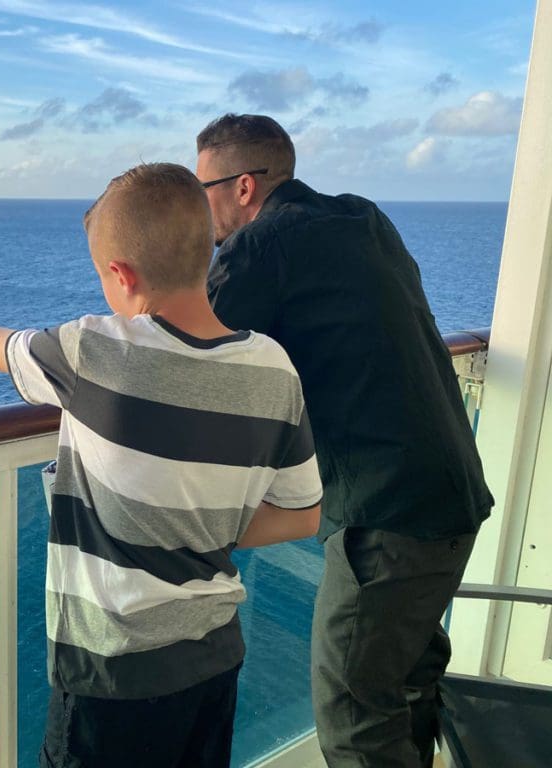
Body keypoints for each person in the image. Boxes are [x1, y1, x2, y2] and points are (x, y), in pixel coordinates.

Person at [0, 162, 323, 768]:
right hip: (212, 660)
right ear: (207, 247)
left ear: (121, 275)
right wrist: (201, 520)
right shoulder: (273, 370)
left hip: (111, 673)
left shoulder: (94, 351)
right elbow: (302, 515)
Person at [195, 114, 494, 767]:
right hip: (454, 496)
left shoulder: (260, 247)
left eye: (203, 190)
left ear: (244, 186)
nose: (199, 210)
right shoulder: (364, 219)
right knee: (407, 689)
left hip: (386, 520)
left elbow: (185, 356)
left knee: (354, 719)